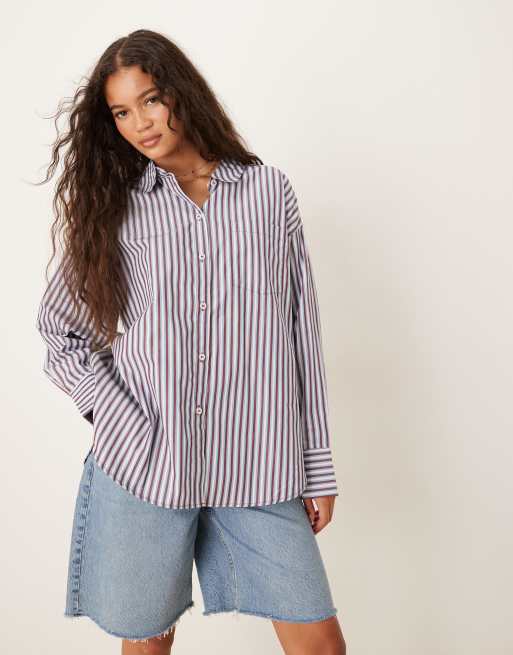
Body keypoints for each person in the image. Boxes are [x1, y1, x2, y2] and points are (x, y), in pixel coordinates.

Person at [35, 29, 346, 655]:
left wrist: (317, 465)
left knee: (319, 642)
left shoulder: (268, 194)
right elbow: (59, 330)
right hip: (148, 467)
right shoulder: (115, 210)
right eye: (121, 112)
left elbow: (301, 335)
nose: (140, 124)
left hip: (256, 462)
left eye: (150, 100)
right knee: (148, 647)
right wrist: (117, 415)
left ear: (181, 92)